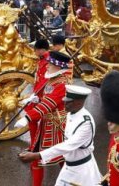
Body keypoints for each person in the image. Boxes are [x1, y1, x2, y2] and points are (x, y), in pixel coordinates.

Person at [19, 85, 101, 186]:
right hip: (68, 167)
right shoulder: (70, 114)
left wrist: (37, 155)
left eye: (68, 101)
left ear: (79, 102)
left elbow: (68, 145)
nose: (64, 103)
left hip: (82, 171)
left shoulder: (85, 123)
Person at [16, 51, 71, 186]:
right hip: (47, 123)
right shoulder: (52, 79)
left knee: (59, 157)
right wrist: (35, 99)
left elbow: (48, 104)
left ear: (58, 67)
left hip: (56, 126)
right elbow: (44, 99)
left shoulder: (62, 84)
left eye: (50, 64)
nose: (47, 66)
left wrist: (28, 117)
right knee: (52, 158)